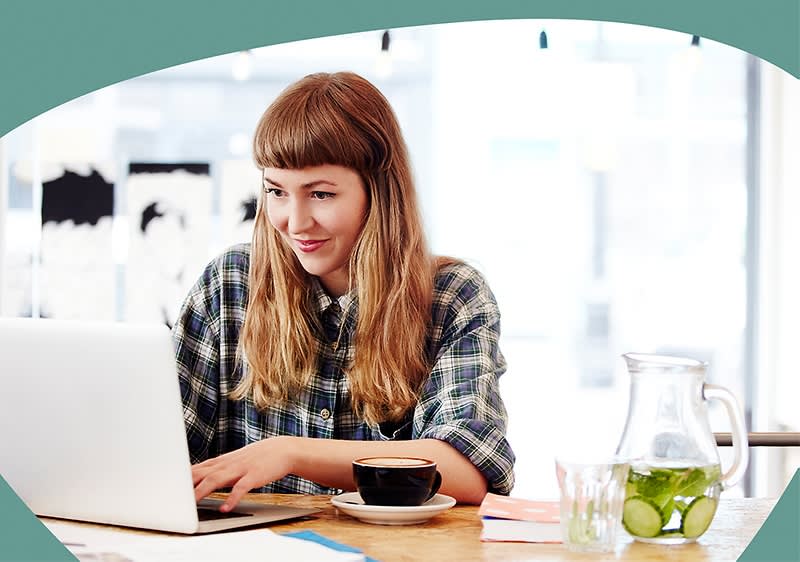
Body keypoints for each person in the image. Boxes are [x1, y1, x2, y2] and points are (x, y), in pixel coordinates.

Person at [173, 71, 515, 512]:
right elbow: (161, 452)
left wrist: (290, 453)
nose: (294, 222)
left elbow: (467, 469)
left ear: (378, 193)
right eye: (276, 191)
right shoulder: (229, 284)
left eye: (320, 194)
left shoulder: (452, 296)